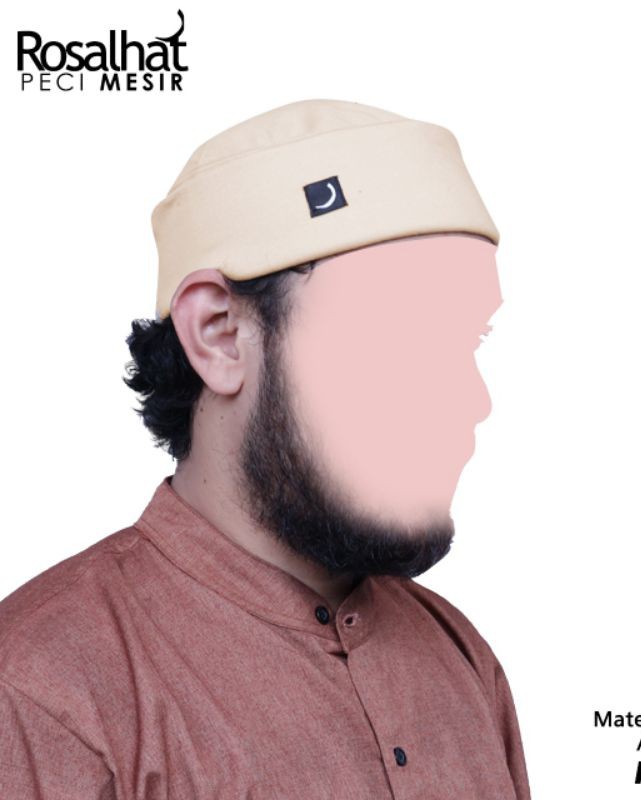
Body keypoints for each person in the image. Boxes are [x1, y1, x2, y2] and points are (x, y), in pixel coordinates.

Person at [0, 99, 531, 799]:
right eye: (400, 333)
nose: (470, 398)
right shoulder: (42, 694)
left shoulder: (460, 659)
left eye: (468, 339)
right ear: (219, 334)